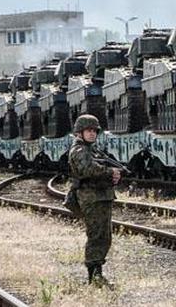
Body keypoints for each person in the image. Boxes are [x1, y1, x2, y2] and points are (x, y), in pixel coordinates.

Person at [68, 114, 121, 286]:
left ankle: (98, 271)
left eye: (94, 131)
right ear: (79, 132)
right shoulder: (79, 150)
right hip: (91, 199)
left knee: (104, 236)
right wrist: (109, 172)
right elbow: (87, 169)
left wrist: (114, 173)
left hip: (101, 196)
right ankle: (94, 274)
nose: (92, 134)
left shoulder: (92, 149)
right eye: (88, 131)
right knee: (96, 235)